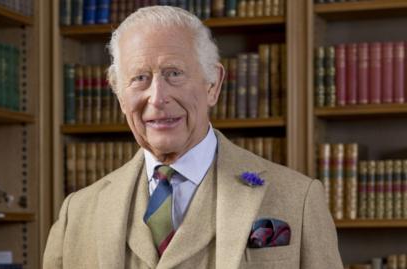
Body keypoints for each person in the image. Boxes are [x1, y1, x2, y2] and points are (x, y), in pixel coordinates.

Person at [43, 6, 343, 269]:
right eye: (139, 78)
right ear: (120, 95)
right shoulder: (77, 213)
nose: (157, 98)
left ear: (213, 84)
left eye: (174, 73)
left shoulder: (299, 199)